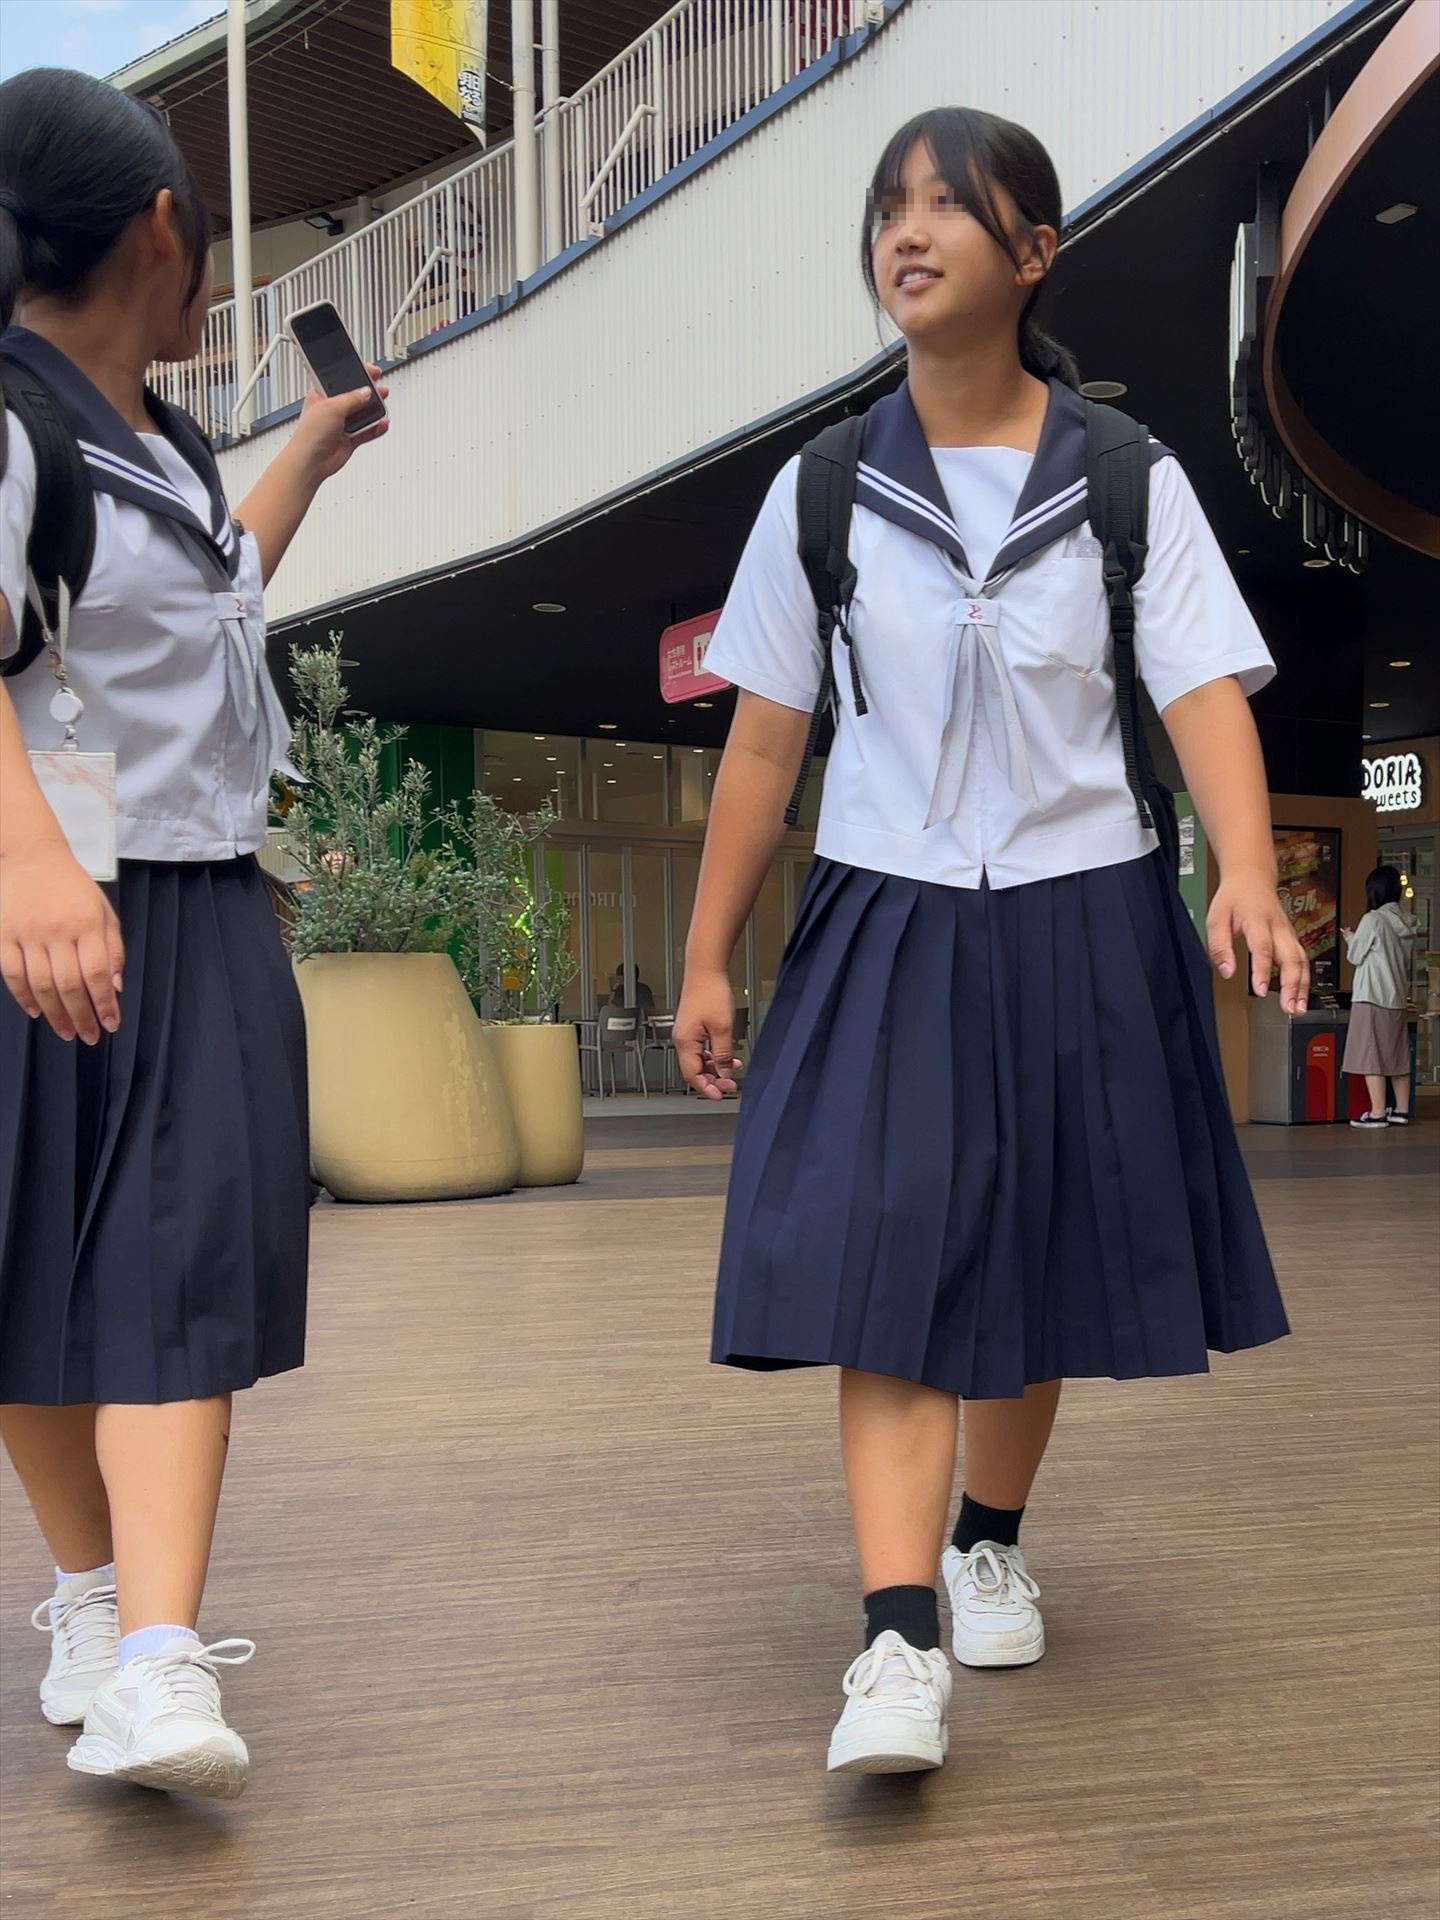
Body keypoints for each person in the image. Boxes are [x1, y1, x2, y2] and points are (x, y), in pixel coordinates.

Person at [674, 107, 1307, 1777]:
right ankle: (894, 1643)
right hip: (884, 909)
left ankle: (987, 1538)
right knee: (892, 1252)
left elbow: (1200, 692)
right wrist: (707, 955)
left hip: (1082, 902)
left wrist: (1245, 869)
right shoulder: (822, 490)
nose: (909, 229)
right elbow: (763, 740)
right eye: (890, 205)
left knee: (1031, 1249)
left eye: (950, 205)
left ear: (1034, 253)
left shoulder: (1125, 476)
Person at [0, 69, 388, 1799]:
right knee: (32, 1277)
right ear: (165, 228)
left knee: (170, 1268)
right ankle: (92, 1600)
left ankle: (156, 1657)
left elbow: (215, 601)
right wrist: (29, 871)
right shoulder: (12, 425)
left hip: (194, 894)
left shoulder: (163, 440)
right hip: (43, 905)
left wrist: (306, 454)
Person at [1343, 865, 1418, 1129]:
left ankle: (1377, 1113)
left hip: (1371, 996)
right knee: (1397, 1055)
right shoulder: (1407, 922)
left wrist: (1351, 938)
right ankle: (1401, 1110)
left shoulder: (1373, 919)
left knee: (1370, 1054)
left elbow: (1356, 956)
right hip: (1397, 998)